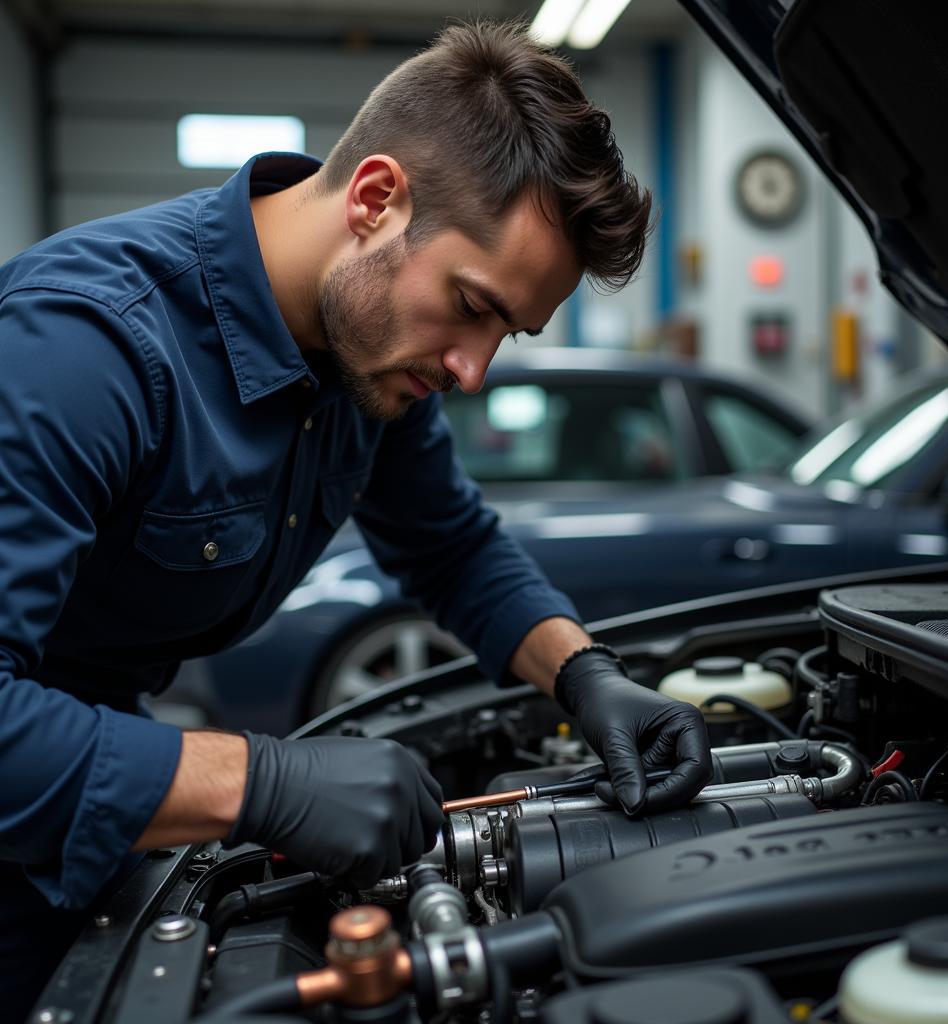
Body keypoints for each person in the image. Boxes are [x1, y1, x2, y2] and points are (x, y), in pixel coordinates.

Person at [0, 20, 711, 1015]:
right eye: (471, 303)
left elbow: (450, 545)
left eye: (507, 331)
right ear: (376, 201)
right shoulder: (84, 351)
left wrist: (584, 673)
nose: (472, 369)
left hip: (93, 811)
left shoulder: (369, 357)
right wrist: (263, 779)